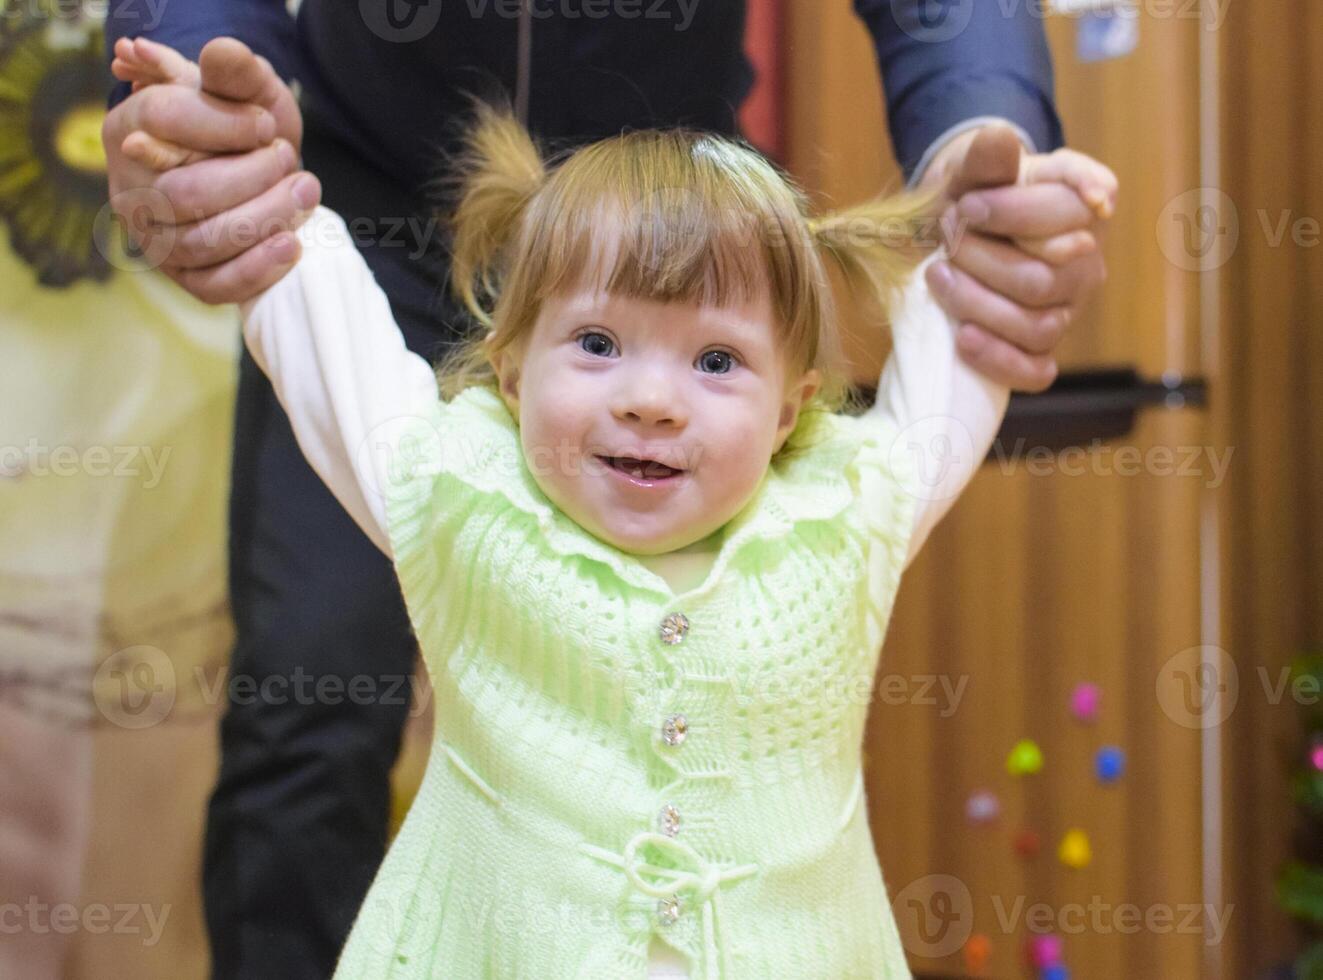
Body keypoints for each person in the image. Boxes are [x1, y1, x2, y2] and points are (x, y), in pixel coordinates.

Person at [102, 6, 1116, 977]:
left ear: (794, 408)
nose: (651, 402)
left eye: (716, 365)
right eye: (598, 350)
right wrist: (229, 136)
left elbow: (950, 352)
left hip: (690, 196)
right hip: (376, 180)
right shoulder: (452, 488)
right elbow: (319, 320)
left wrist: (989, 187)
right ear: (509, 371)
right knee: (304, 716)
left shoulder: (849, 509)